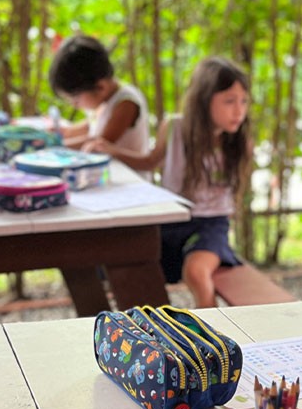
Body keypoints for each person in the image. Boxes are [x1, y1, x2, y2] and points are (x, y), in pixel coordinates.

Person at [87, 57, 251, 308]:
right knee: (123, 260)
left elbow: (235, 194)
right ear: (204, 100)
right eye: (229, 101)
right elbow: (149, 162)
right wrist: (111, 150)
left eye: (244, 101)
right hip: (172, 219)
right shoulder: (174, 128)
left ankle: (210, 329)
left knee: (196, 272)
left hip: (211, 226)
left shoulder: (239, 142)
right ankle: (141, 323)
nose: (239, 110)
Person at [48, 35, 150, 154]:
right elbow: (89, 126)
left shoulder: (126, 103)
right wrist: (64, 132)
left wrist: (55, 145)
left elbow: (99, 143)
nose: (74, 105)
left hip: (124, 166)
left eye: (76, 99)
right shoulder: (104, 100)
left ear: (101, 87)